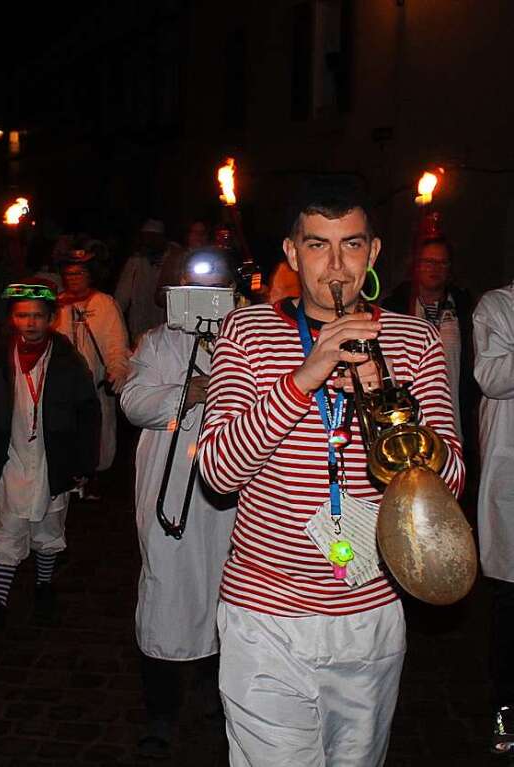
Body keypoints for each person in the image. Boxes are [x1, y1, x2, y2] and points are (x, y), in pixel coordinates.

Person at [198, 177, 464, 766]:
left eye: (351, 246)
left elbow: (450, 486)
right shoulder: (246, 331)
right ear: (293, 254)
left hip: (370, 611)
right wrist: (303, 379)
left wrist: (378, 390)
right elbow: (217, 473)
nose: (336, 266)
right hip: (264, 615)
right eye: (318, 246)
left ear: (372, 254)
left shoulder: (415, 340)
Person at [121, 247, 237, 759]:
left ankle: (221, 696)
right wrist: (187, 391)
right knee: (168, 597)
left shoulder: (248, 342)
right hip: (170, 494)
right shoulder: (156, 342)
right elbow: (133, 402)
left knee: (227, 596)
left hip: (230, 499)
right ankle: (162, 710)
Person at [0, 281, 100, 628]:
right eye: (22, 315)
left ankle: (44, 586)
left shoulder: (69, 362)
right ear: (12, 318)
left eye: (38, 316)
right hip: (11, 455)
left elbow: (88, 413)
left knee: (48, 526)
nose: (30, 323)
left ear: (51, 319)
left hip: (51, 458)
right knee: (8, 527)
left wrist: (83, 463)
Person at [472, 279, 514, 753]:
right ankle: (507, 719)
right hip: (510, 481)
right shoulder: (497, 305)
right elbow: (491, 377)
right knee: (509, 608)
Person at [383, 235, 478, 443]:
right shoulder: (395, 309)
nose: (435, 268)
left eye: (442, 262)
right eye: (429, 262)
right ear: (415, 266)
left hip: (455, 418)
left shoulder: (465, 309)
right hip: (407, 422)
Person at [55, 248, 130, 476]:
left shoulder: (104, 304)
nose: (74, 278)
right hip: (63, 388)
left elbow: (116, 343)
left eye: (79, 273)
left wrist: (117, 370)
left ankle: (94, 477)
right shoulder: (57, 305)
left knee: (98, 436)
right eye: (70, 274)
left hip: (95, 386)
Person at [116, 219, 169, 343]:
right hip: (139, 323)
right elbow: (122, 295)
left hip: (163, 323)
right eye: (146, 237)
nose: (149, 242)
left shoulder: (171, 260)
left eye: (153, 238)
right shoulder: (135, 262)